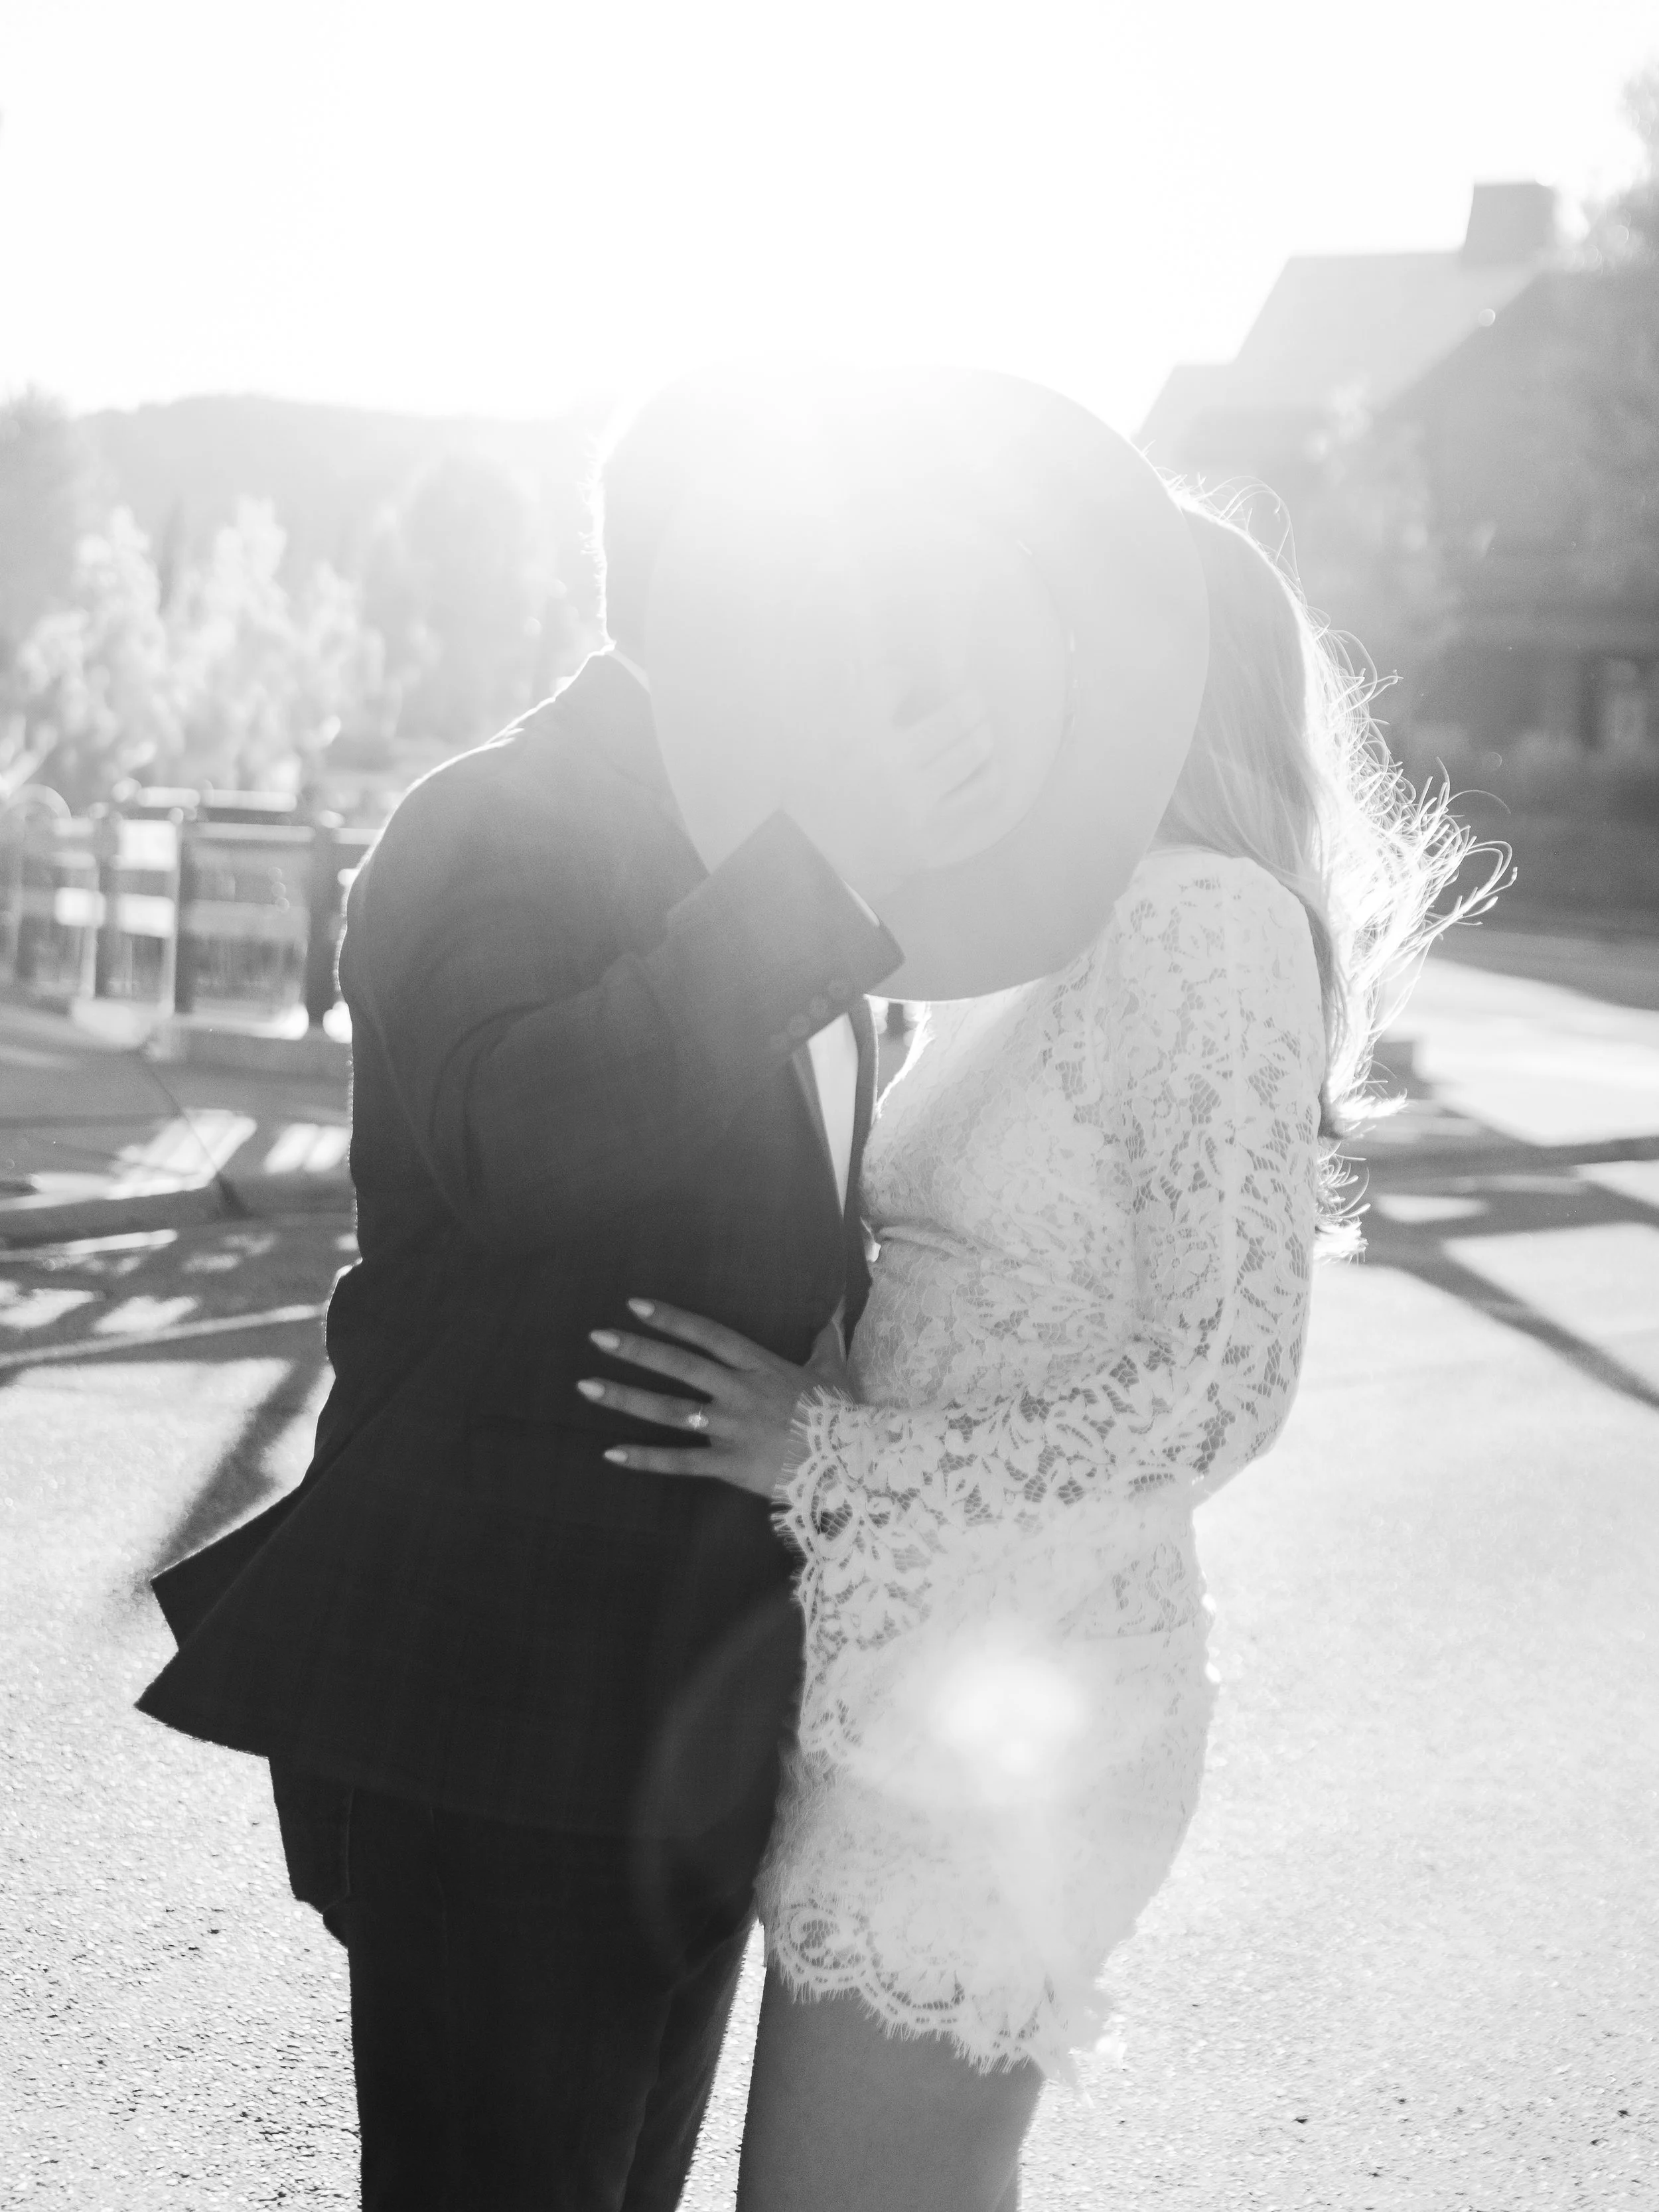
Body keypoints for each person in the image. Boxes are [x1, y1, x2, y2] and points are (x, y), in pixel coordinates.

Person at [135, 371, 1011, 2210]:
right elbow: (535, 1136)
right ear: (712, 592)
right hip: (505, 1713)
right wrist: (820, 873)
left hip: (693, 1721)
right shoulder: (501, 825)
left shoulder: (761, 853)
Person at [583, 490, 1488, 2211]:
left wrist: (825, 1454)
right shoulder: (1041, 934)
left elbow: (1226, 1381)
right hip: (902, 1666)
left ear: (1162, 678)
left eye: (1055, 641)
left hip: (1033, 1703)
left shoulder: (1206, 921)